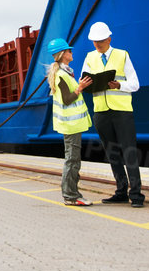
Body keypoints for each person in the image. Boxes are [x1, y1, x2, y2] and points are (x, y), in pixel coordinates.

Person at [81, 21, 143, 206]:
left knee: (129, 152)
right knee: (112, 153)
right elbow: (82, 80)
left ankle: (137, 195)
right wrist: (86, 84)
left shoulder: (122, 55)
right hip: (101, 111)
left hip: (122, 111)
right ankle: (121, 191)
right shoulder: (90, 57)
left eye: (100, 40)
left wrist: (119, 85)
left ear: (109, 38)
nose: (97, 44)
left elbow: (135, 84)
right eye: (94, 41)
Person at [46, 36, 93, 206]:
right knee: (72, 160)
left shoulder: (64, 72)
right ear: (62, 54)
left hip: (72, 124)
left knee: (73, 159)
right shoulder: (61, 74)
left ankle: (71, 194)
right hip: (70, 124)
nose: (71, 52)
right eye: (69, 50)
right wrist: (80, 87)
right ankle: (71, 196)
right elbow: (67, 99)